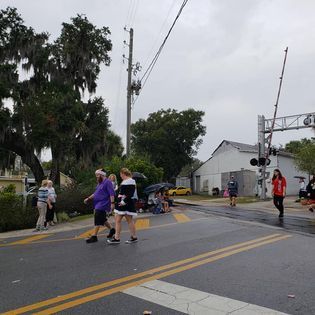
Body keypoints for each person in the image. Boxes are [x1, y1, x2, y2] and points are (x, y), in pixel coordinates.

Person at [84, 169, 116, 243]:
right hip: (98, 203)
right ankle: (112, 229)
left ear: (102, 175)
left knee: (98, 216)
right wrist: (88, 198)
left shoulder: (108, 182)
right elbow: (95, 194)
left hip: (104, 203)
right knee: (102, 218)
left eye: (97, 175)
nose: (96, 177)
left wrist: (112, 203)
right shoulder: (99, 183)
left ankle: (94, 236)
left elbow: (112, 193)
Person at [107, 168, 138, 244]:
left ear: (123, 174)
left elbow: (130, 194)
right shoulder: (127, 181)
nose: (120, 176)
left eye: (120, 174)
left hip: (124, 203)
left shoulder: (130, 181)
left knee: (124, 220)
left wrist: (123, 201)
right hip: (123, 203)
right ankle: (131, 237)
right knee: (122, 220)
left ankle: (118, 238)